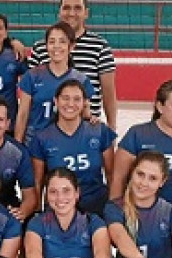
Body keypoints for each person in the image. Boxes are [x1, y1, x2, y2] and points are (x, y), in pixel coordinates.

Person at [27, 0, 118, 131]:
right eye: (66, 8)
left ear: (86, 13)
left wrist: (112, 127)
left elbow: (109, 93)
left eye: (77, 8)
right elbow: (28, 93)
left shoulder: (100, 46)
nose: (71, 13)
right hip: (44, 130)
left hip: (85, 129)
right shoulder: (41, 47)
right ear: (59, 12)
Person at [110, 79, 172, 214]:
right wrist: (114, 216)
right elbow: (118, 179)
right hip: (142, 217)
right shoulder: (138, 134)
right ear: (160, 107)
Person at [30, 79, 116, 215]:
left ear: (84, 103)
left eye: (77, 99)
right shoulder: (42, 137)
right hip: (58, 209)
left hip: (96, 207)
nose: (70, 104)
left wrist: (114, 210)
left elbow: (112, 175)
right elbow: (37, 182)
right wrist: (36, 214)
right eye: (65, 98)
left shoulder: (99, 131)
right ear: (56, 101)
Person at [15, 23, 94, 145]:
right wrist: (18, 144)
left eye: (62, 41)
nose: (56, 46)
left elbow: (85, 115)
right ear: (46, 46)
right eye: (52, 42)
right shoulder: (32, 76)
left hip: (65, 145)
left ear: (71, 46)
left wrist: (92, 120)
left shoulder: (81, 80)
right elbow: (23, 114)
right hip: (34, 143)